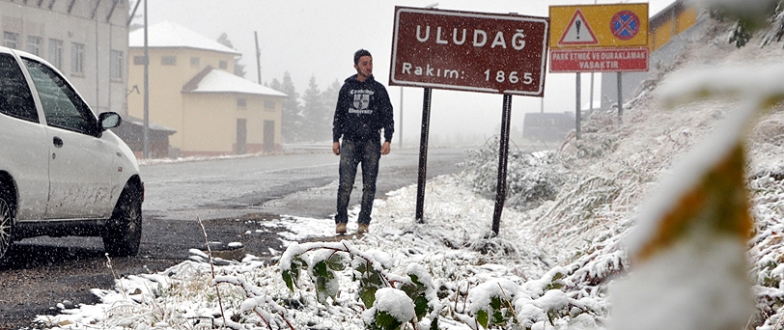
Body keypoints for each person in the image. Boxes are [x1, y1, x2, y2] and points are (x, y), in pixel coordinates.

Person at [332, 49, 394, 235]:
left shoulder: (379, 90)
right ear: (356, 66)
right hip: (350, 141)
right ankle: (341, 221)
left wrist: (388, 139)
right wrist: (336, 139)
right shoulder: (347, 88)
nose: (368, 66)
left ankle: (364, 222)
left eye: (370, 62)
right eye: (364, 63)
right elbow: (339, 115)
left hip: (372, 143)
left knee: (369, 185)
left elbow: (388, 115)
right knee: (345, 183)